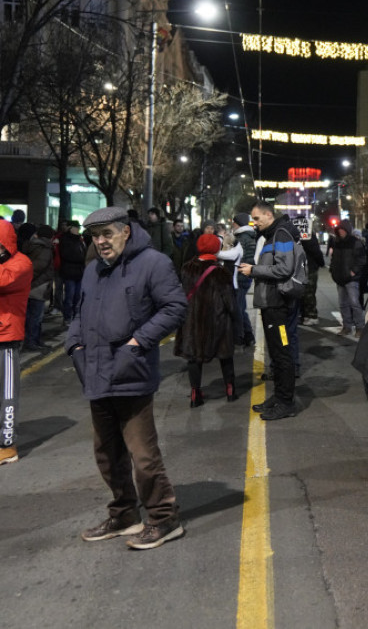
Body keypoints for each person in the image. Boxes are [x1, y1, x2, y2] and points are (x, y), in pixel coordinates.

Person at [67, 207, 187, 549]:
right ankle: (124, 515)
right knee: (106, 453)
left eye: (107, 233)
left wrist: (137, 343)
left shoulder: (154, 263)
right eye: (95, 235)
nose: (101, 241)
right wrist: (73, 344)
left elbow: (175, 308)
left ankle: (165, 518)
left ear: (126, 231)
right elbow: (80, 311)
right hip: (95, 372)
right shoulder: (92, 270)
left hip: (131, 373)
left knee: (143, 455)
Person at [241, 201, 301, 421]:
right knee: (277, 354)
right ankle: (279, 397)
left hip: (278, 305)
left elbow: (284, 268)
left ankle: (286, 402)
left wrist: (254, 270)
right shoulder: (272, 235)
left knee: (282, 353)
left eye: (256, 218)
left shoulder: (281, 235)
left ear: (268, 215)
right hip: (272, 303)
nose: (254, 223)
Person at [176, 234, 237, 407]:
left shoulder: (187, 269)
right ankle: (230, 388)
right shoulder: (221, 271)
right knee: (225, 355)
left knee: (194, 357)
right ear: (217, 248)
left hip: (193, 320)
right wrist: (235, 318)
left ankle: (195, 393)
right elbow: (229, 301)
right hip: (218, 320)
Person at [0, 218, 33, 466]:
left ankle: (7, 445)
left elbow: (3, 280)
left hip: (7, 337)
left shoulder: (21, 263)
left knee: (7, 395)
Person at [217, 213, 257, 347]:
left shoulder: (241, 238)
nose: (232, 225)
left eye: (234, 223)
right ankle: (247, 335)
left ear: (238, 224)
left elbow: (233, 255)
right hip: (245, 275)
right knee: (241, 306)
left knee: (238, 308)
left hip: (239, 276)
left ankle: (242, 337)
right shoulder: (250, 236)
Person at [329, 220, 366, 337]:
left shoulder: (355, 242)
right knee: (343, 304)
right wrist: (333, 271)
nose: (340, 232)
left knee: (354, 303)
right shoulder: (337, 242)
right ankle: (347, 326)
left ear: (347, 230)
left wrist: (353, 272)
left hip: (351, 279)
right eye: (339, 230)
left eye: (342, 230)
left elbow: (361, 259)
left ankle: (360, 327)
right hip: (340, 278)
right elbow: (334, 259)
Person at [23, 224, 55, 351]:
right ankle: (32, 342)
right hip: (38, 286)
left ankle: (35, 340)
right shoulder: (45, 248)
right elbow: (38, 267)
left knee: (32, 315)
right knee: (36, 316)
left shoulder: (32, 245)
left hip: (32, 285)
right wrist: (31, 280)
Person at [58, 219, 86, 324]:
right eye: (76, 227)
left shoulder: (79, 240)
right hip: (69, 272)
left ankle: (75, 316)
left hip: (79, 272)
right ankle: (67, 317)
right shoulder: (65, 240)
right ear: (70, 228)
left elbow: (83, 253)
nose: (78, 229)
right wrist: (80, 259)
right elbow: (67, 255)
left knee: (77, 297)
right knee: (70, 296)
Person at [299, 232, 325, 326]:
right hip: (307, 267)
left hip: (308, 268)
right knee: (306, 293)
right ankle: (307, 315)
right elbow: (316, 251)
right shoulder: (307, 235)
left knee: (308, 293)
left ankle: (311, 315)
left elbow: (315, 251)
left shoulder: (306, 235)